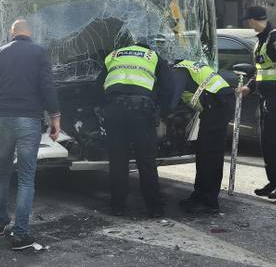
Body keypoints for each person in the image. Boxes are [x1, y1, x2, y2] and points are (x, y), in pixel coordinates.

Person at [0, 19, 60, 251]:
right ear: (29, 33)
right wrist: (55, 116)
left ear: (11, 33)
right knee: (25, 177)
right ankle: (20, 234)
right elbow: (47, 86)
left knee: (2, 171)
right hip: (29, 120)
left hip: (3, 119)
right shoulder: (39, 52)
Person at [100, 35, 174, 218]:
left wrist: (104, 107)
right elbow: (168, 88)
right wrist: (162, 113)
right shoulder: (153, 56)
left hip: (114, 111)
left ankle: (117, 206)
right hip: (141, 112)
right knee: (146, 161)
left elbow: (99, 84)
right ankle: (154, 208)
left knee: (118, 161)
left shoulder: (114, 55)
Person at [239, 6, 276, 199]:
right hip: (265, 99)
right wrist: (249, 87)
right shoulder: (261, 41)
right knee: (266, 144)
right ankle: (273, 181)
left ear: (255, 19)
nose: (248, 24)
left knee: (273, 142)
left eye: (249, 20)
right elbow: (261, 71)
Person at [170, 59, 233, 214]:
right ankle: (199, 195)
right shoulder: (187, 66)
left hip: (218, 105)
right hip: (216, 104)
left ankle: (209, 201)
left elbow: (171, 101)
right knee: (203, 152)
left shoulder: (179, 72)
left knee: (210, 155)